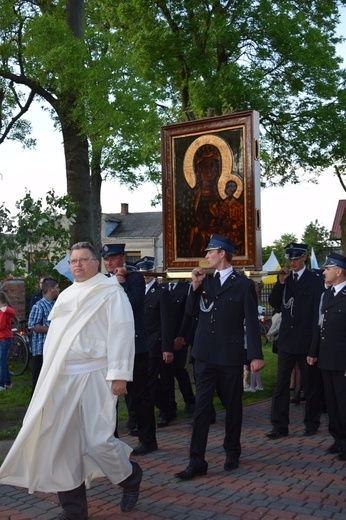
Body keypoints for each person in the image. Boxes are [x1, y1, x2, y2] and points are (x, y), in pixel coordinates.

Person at [0, 241, 142, 518]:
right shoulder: (65, 296)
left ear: (95, 263)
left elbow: (122, 333)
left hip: (97, 374)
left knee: (99, 440)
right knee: (60, 441)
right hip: (63, 376)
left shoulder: (111, 293)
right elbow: (56, 338)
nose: (77, 264)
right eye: (73, 260)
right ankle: (74, 510)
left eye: (83, 259)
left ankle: (130, 477)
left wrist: (120, 376)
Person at [175, 234, 264, 480]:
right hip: (204, 355)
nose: (205, 257)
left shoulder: (243, 285)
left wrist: (255, 355)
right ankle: (196, 461)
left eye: (209, 252)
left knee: (233, 406)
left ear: (222, 253)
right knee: (201, 410)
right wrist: (194, 286)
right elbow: (190, 312)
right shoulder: (205, 281)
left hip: (230, 356)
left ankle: (232, 450)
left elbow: (252, 323)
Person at [101, 243, 158, 455]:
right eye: (106, 259)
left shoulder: (133, 278)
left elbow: (133, 304)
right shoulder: (105, 281)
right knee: (109, 396)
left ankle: (148, 440)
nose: (109, 262)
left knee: (139, 395)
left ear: (123, 258)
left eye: (113, 258)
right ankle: (111, 439)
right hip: (111, 347)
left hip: (135, 346)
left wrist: (120, 283)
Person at [267, 243, 324, 440]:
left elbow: (318, 313)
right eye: (290, 259)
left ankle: (311, 422)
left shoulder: (315, 280)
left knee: (310, 385)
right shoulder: (286, 279)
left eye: (296, 259)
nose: (293, 263)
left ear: (304, 258)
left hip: (307, 341)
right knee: (281, 385)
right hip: (287, 341)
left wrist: (315, 345)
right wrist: (280, 282)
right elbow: (274, 303)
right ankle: (279, 425)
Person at [307, 252, 346, 460]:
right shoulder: (328, 294)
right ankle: (338, 439)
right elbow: (320, 325)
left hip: (342, 360)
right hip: (327, 357)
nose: (323, 272)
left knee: (343, 402)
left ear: (338, 272)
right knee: (331, 402)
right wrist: (313, 351)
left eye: (327, 269)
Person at [136, 257, 175, 428]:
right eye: (142, 272)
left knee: (149, 382)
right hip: (140, 344)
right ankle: (168, 407)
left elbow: (167, 322)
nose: (145, 275)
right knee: (147, 381)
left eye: (148, 271)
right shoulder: (136, 291)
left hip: (155, 344)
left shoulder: (161, 292)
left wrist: (167, 348)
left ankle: (148, 419)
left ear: (153, 271)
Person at [158, 280, 196, 425]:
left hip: (180, 338)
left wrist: (181, 336)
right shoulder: (162, 287)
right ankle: (169, 407)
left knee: (179, 369)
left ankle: (189, 401)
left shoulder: (186, 287)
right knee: (166, 372)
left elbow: (188, 314)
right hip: (164, 338)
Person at [28, 277, 60, 394]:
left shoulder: (55, 304)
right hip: (41, 349)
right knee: (38, 381)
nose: (59, 290)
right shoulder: (39, 306)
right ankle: (34, 408)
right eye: (57, 287)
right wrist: (51, 329)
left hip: (52, 348)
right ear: (51, 289)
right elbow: (32, 325)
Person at [0, 291, 17, 391]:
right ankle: (8, 382)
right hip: (3, 339)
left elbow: (1, 326)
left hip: (5, 339)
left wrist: (3, 310)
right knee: (3, 361)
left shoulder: (4, 311)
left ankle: (2, 384)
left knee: (2, 361)